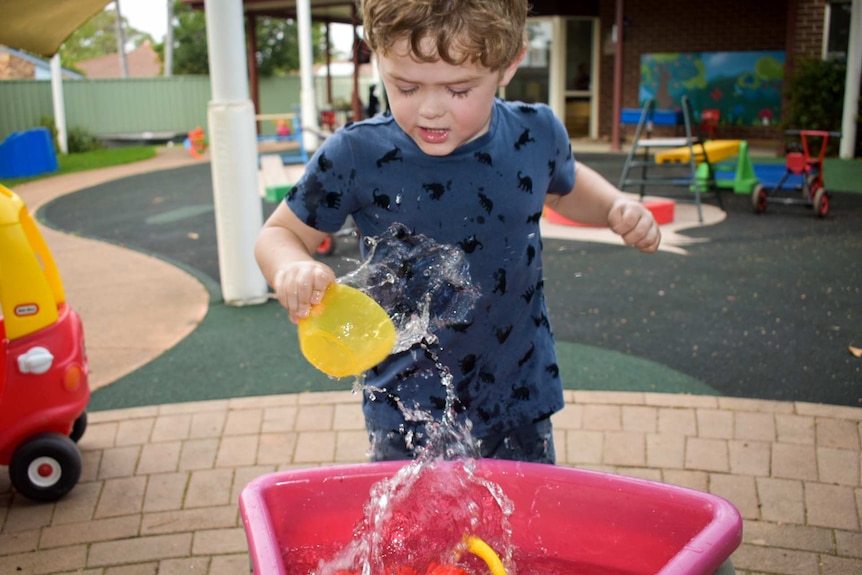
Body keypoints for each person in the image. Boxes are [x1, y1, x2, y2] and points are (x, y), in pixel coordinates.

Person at [255, 0, 661, 464]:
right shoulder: (356, 154)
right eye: (405, 86)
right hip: (406, 404)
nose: (430, 110)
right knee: (415, 531)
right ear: (377, 56)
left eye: (458, 89)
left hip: (518, 392)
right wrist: (291, 266)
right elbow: (278, 233)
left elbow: (564, 187)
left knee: (517, 527)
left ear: (509, 64)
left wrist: (614, 206)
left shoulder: (535, 133)